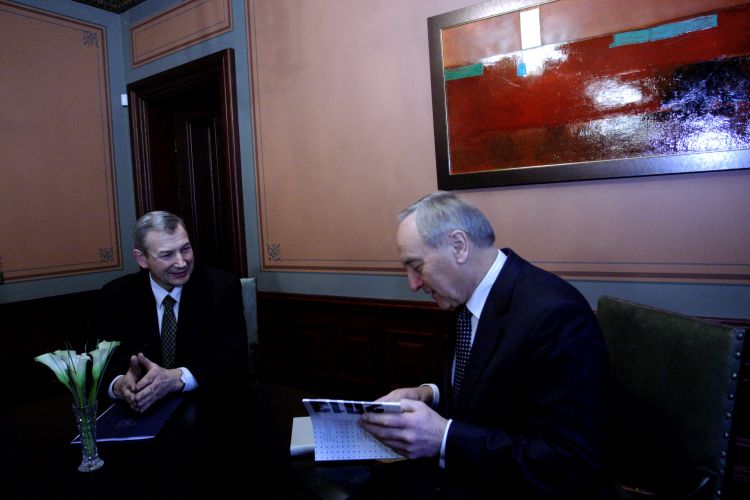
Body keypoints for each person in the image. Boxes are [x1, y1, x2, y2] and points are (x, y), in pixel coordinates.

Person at [359, 191, 613, 499]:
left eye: (416, 266)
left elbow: (570, 463)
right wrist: (427, 394)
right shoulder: (465, 297)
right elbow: (483, 391)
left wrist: (444, 438)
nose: (412, 284)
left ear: (459, 246)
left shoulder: (555, 315)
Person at [101, 211, 247, 413]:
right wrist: (119, 386)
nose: (181, 262)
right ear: (142, 259)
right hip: (140, 412)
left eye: (185, 249)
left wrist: (177, 378)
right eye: (167, 255)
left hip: (208, 408)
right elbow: (101, 364)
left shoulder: (221, 287)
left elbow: (233, 358)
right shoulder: (116, 295)